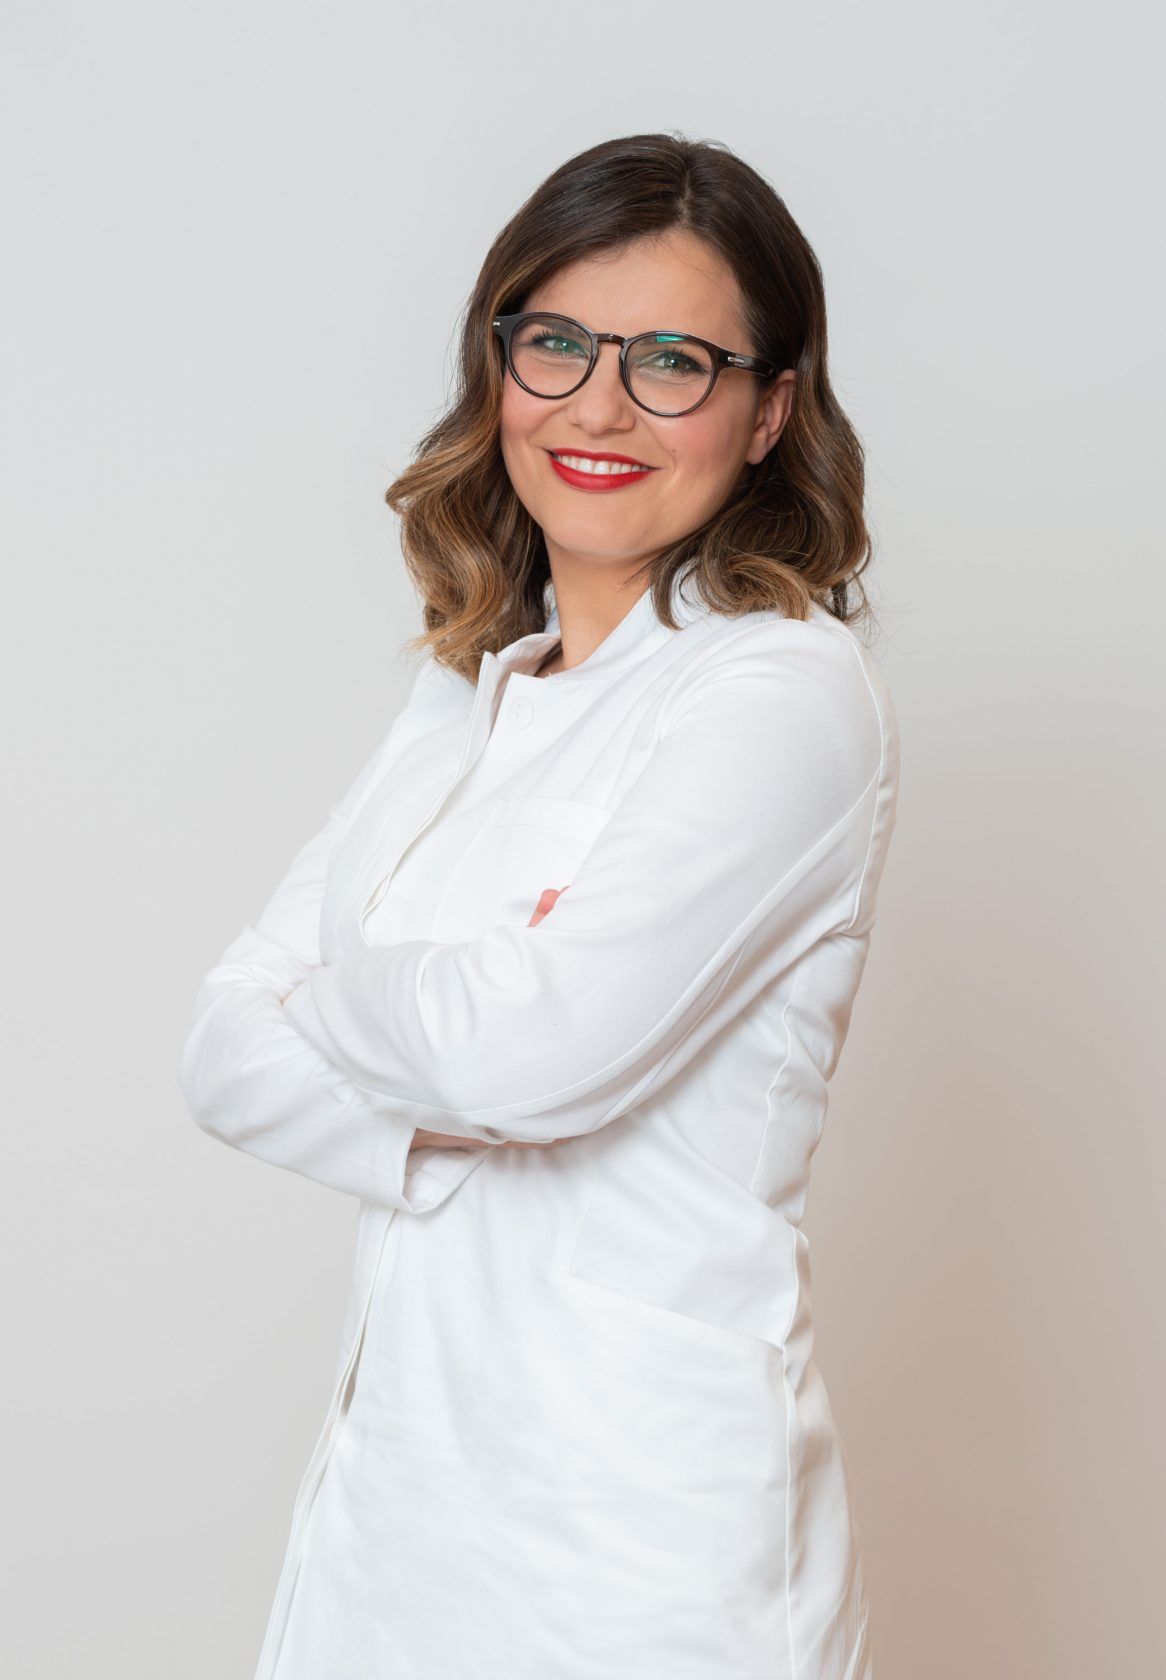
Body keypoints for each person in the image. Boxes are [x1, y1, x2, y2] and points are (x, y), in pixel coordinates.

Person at [179, 130, 901, 1680]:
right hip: (393, 1518)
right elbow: (221, 1053)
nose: (596, 406)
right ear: (497, 364)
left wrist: (339, 1002)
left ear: (769, 411)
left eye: (672, 363)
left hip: (639, 1552)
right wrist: (446, 1061)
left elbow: (531, 1054)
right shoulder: (464, 695)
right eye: (557, 343)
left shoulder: (780, 691)